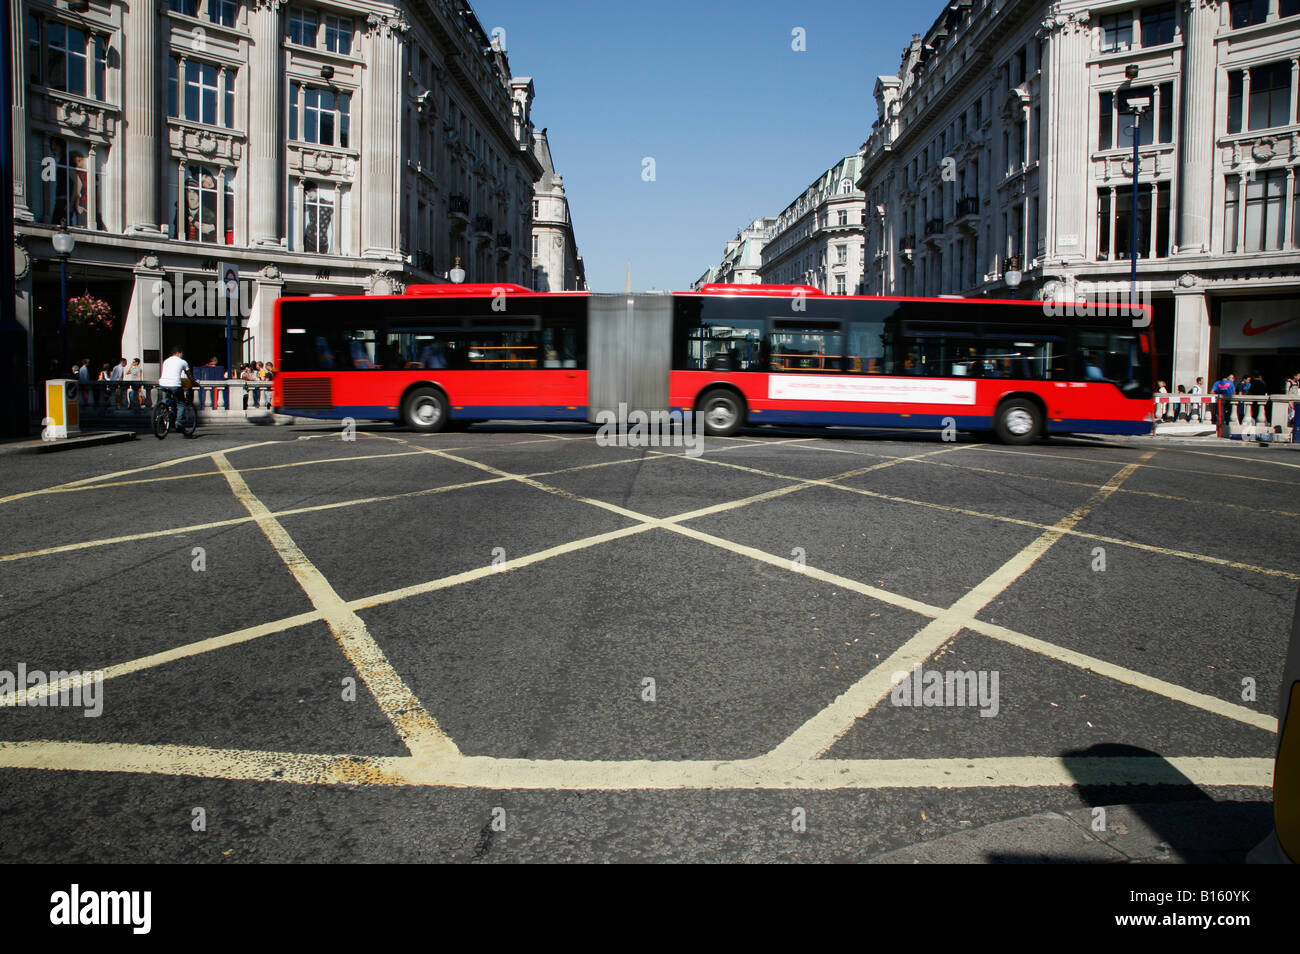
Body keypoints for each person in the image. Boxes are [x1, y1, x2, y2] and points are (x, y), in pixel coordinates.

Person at [158, 346, 197, 437]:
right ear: (178, 353)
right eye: (182, 353)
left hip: (163, 383)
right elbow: (189, 376)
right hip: (175, 384)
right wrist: (195, 383)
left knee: (168, 399)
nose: (182, 355)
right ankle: (179, 422)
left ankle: (164, 411)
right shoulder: (183, 362)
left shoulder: (166, 361)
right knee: (181, 403)